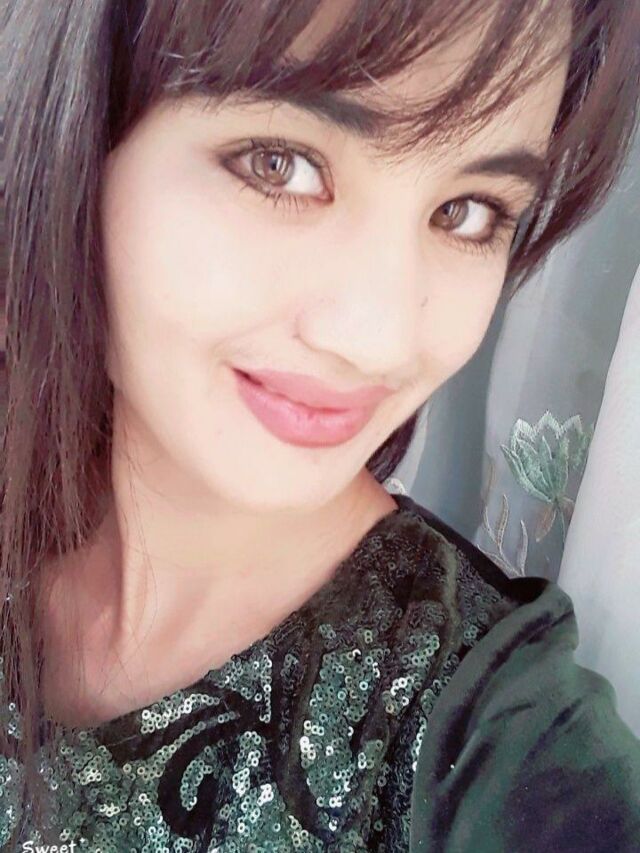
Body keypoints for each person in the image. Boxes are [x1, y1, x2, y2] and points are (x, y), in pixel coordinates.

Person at [2, 0, 640, 850]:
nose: (380, 339)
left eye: (467, 211)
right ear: (78, 135)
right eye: (281, 164)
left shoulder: (498, 739)